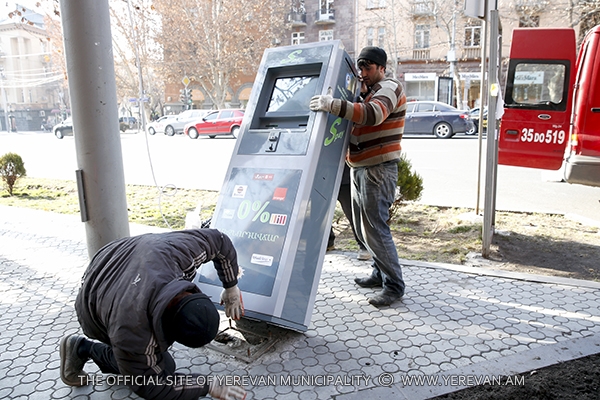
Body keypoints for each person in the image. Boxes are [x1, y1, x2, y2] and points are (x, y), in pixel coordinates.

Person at [59, 229, 246, 400]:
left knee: (154, 362)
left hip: (124, 256)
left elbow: (220, 241)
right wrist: (207, 385)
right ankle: (81, 348)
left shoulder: (179, 253)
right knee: (163, 367)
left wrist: (231, 287)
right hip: (92, 303)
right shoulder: (133, 331)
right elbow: (150, 385)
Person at [310, 46, 406, 306]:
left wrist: (334, 105)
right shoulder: (371, 91)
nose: (362, 73)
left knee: (375, 229)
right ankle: (379, 273)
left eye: (368, 68)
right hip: (362, 167)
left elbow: (373, 115)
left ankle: (394, 286)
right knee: (364, 230)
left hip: (377, 169)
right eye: (360, 67)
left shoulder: (389, 87)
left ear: (382, 68)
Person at [327, 163, 371, 261]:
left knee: (353, 214)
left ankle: (364, 246)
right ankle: (327, 243)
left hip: (345, 177)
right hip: (324, 176)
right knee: (320, 213)